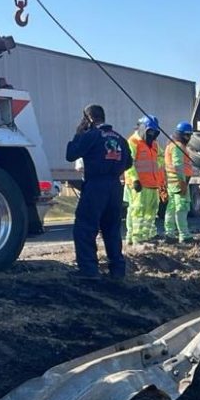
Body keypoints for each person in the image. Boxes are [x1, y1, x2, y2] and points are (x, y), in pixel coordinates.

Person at [65, 104, 132, 280]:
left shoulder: (91, 136)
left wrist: (79, 133)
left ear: (89, 119)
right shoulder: (120, 139)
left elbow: (71, 154)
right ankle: (117, 270)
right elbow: (129, 163)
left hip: (96, 185)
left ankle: (89, 270)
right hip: (115, 187)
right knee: (111, 229)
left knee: (85, 228)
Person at [123, 115, 165, 245]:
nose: (152, 135)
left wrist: (160, 181)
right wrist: (135, 179)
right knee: (138, 210)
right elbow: (129, 163)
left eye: (155, 132)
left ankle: (147, 235)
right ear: (142, 129)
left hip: (152, 184)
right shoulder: (133, 142)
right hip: (139, 185)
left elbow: (161, 158)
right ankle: (136, 238)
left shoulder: (155, 145)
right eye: (150, 131)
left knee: (151, 211)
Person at [163, 121, 196, 245]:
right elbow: (178, 165)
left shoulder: (171, 145)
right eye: (187, 135)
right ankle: (184, 235)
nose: (189, 138)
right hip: (179, 182)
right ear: (181, 134)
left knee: (171, 208)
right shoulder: (177, 146)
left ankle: (170, 234)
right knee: (182, 208)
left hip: (173, 182)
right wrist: (182, 181)